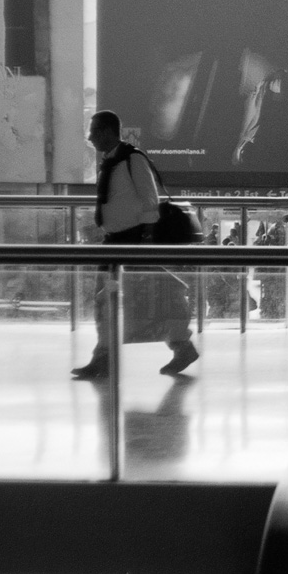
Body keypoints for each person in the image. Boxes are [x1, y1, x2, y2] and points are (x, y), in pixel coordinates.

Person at [72, 110, 199, 380]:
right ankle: (104, 357)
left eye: (93, 132)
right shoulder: (110, 161)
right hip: (115, 242)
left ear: (107, 131)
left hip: (132, 242)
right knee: (107, 300)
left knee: (150, 300)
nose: (90, 138)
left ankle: (181, 347)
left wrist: (143, 244)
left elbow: (150, 201)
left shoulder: (132, 159)